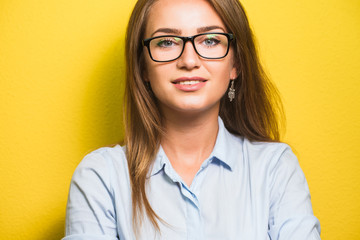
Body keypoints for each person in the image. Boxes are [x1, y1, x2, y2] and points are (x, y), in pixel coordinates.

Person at [63, 0, 321, 239]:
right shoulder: (100, 178)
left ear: (236, 64)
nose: (189, 60)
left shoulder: (276, 168)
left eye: (210, 40)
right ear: (142, 67)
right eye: (166, 42)